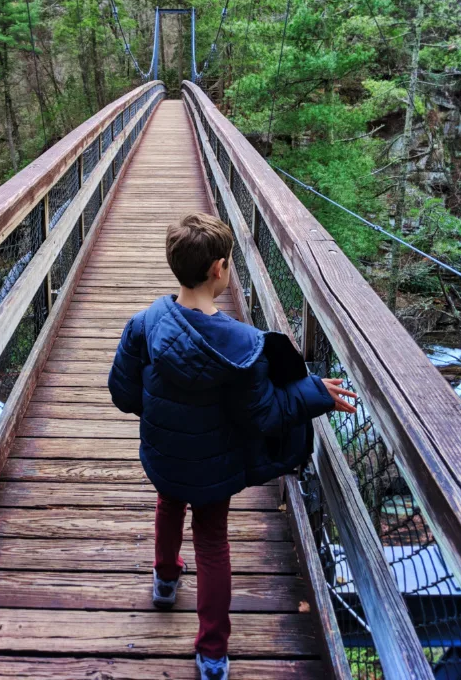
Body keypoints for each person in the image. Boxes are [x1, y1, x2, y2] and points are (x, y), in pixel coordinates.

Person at [108, 212, 357, 680]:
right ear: (220, 268)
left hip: (164, 453)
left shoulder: (143, 324)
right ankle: (212, 654)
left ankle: (164, 580)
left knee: (168, 502)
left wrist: (165, 409)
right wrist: (316, 392)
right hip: (214, 469)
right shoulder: (243, 346)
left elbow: (123, 393)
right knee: (213, 544)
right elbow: (264, 414)